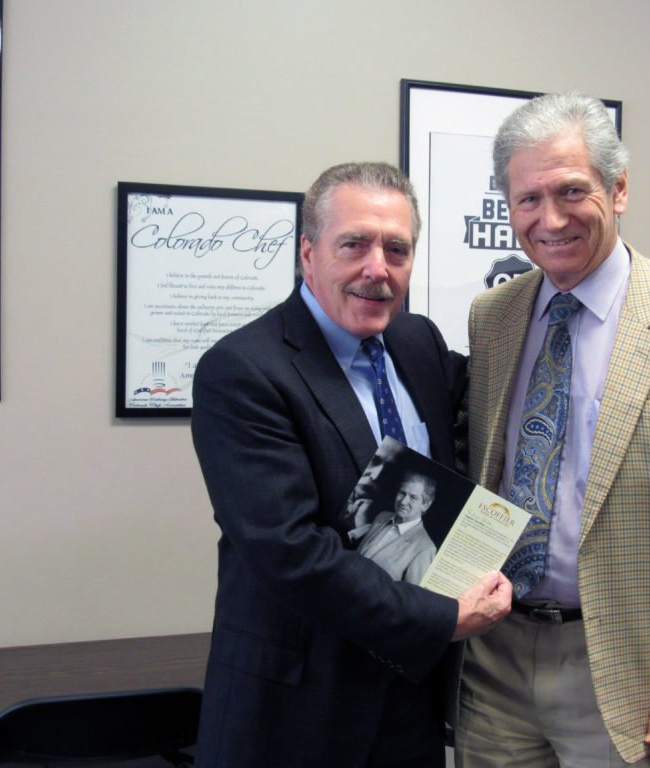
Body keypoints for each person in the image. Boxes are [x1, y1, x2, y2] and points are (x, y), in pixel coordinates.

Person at [456, 92, 650, 768]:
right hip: (494, 657)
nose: (551, 219)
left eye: (571, 191)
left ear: (618, 188)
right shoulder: (494, 315)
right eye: (528, 199)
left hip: (630, 670)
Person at [191, 161, 512, 768]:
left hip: (409, 702)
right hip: (299, 710)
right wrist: (442, 618)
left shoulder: (416, 341)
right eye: (354, 245)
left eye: (397, 249)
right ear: (307, 254)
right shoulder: (243, 371)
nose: (377, 269)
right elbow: (292, 553)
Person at [353, 471, 438, 584]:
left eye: (413, 497)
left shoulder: (426, 548)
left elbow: (409, 596)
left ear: (425, 505)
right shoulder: (382, 517)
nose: (403, 501)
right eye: (402, 493)